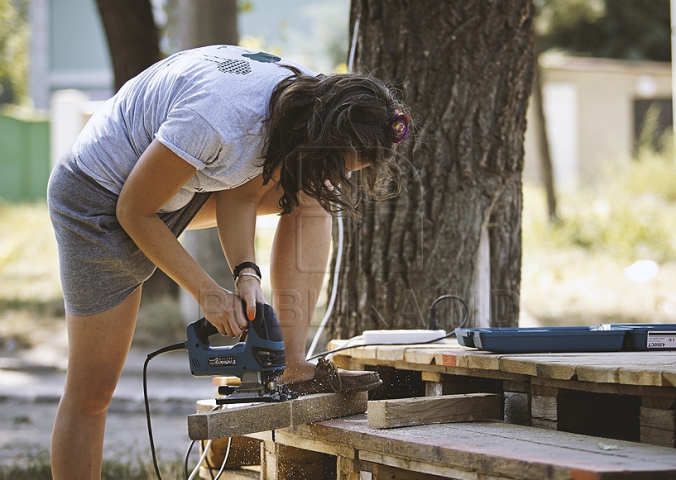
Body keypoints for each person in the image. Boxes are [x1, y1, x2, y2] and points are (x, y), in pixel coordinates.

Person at [46, 44, 410, 479]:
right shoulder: (218, 120)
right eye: (340, 163)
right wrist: (208, 294)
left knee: (312, 191)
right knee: (92, 392)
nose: (341, 177)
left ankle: (293, 365)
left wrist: (246, 274)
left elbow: (239, 188)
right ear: (324, 134)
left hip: (176, 184)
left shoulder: (305, 101)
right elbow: (134, 211)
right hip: (99, 199)